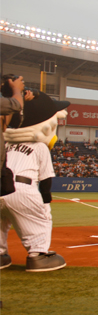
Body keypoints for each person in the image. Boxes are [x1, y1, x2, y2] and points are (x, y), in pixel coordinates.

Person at [1, 91, 70, 272]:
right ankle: (38, 256)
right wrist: (45, 202)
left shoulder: (5, 144)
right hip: (22, 188)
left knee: (1, 223)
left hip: (1, 186)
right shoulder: (39, 147)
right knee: (40, 220)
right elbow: (46, 180)